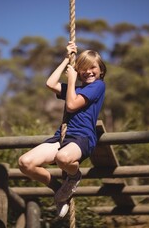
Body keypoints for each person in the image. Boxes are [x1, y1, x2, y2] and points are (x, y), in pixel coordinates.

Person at [18, 41, 107, 218]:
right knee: (25, 163)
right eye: (83, 68)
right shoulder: (76, 88)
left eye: (93, 67)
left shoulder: (98, 86)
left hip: (82, 137)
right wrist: (66, 59)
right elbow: (50, 84)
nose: (88, 71)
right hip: (62, 137)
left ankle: (74, 177)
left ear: (101, 71)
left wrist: (72, 80)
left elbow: (72, 105)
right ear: (78, 70)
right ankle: (60, 189)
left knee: (63, 158)